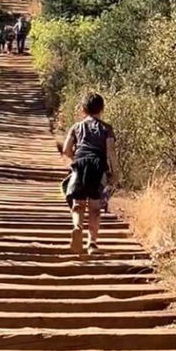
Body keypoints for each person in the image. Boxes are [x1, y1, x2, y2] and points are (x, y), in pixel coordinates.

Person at [60, 93, 119, 255]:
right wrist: (115, 174)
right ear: (102, 109)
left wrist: (75, 161)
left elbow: (66, 150)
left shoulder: (76, 127)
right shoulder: (107, 129)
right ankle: (91, 243)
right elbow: (111, 152)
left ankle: (77, 227)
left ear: (82, 110)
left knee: (78, 204)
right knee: (94, 208)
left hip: (80, 165)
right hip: (98, 168)